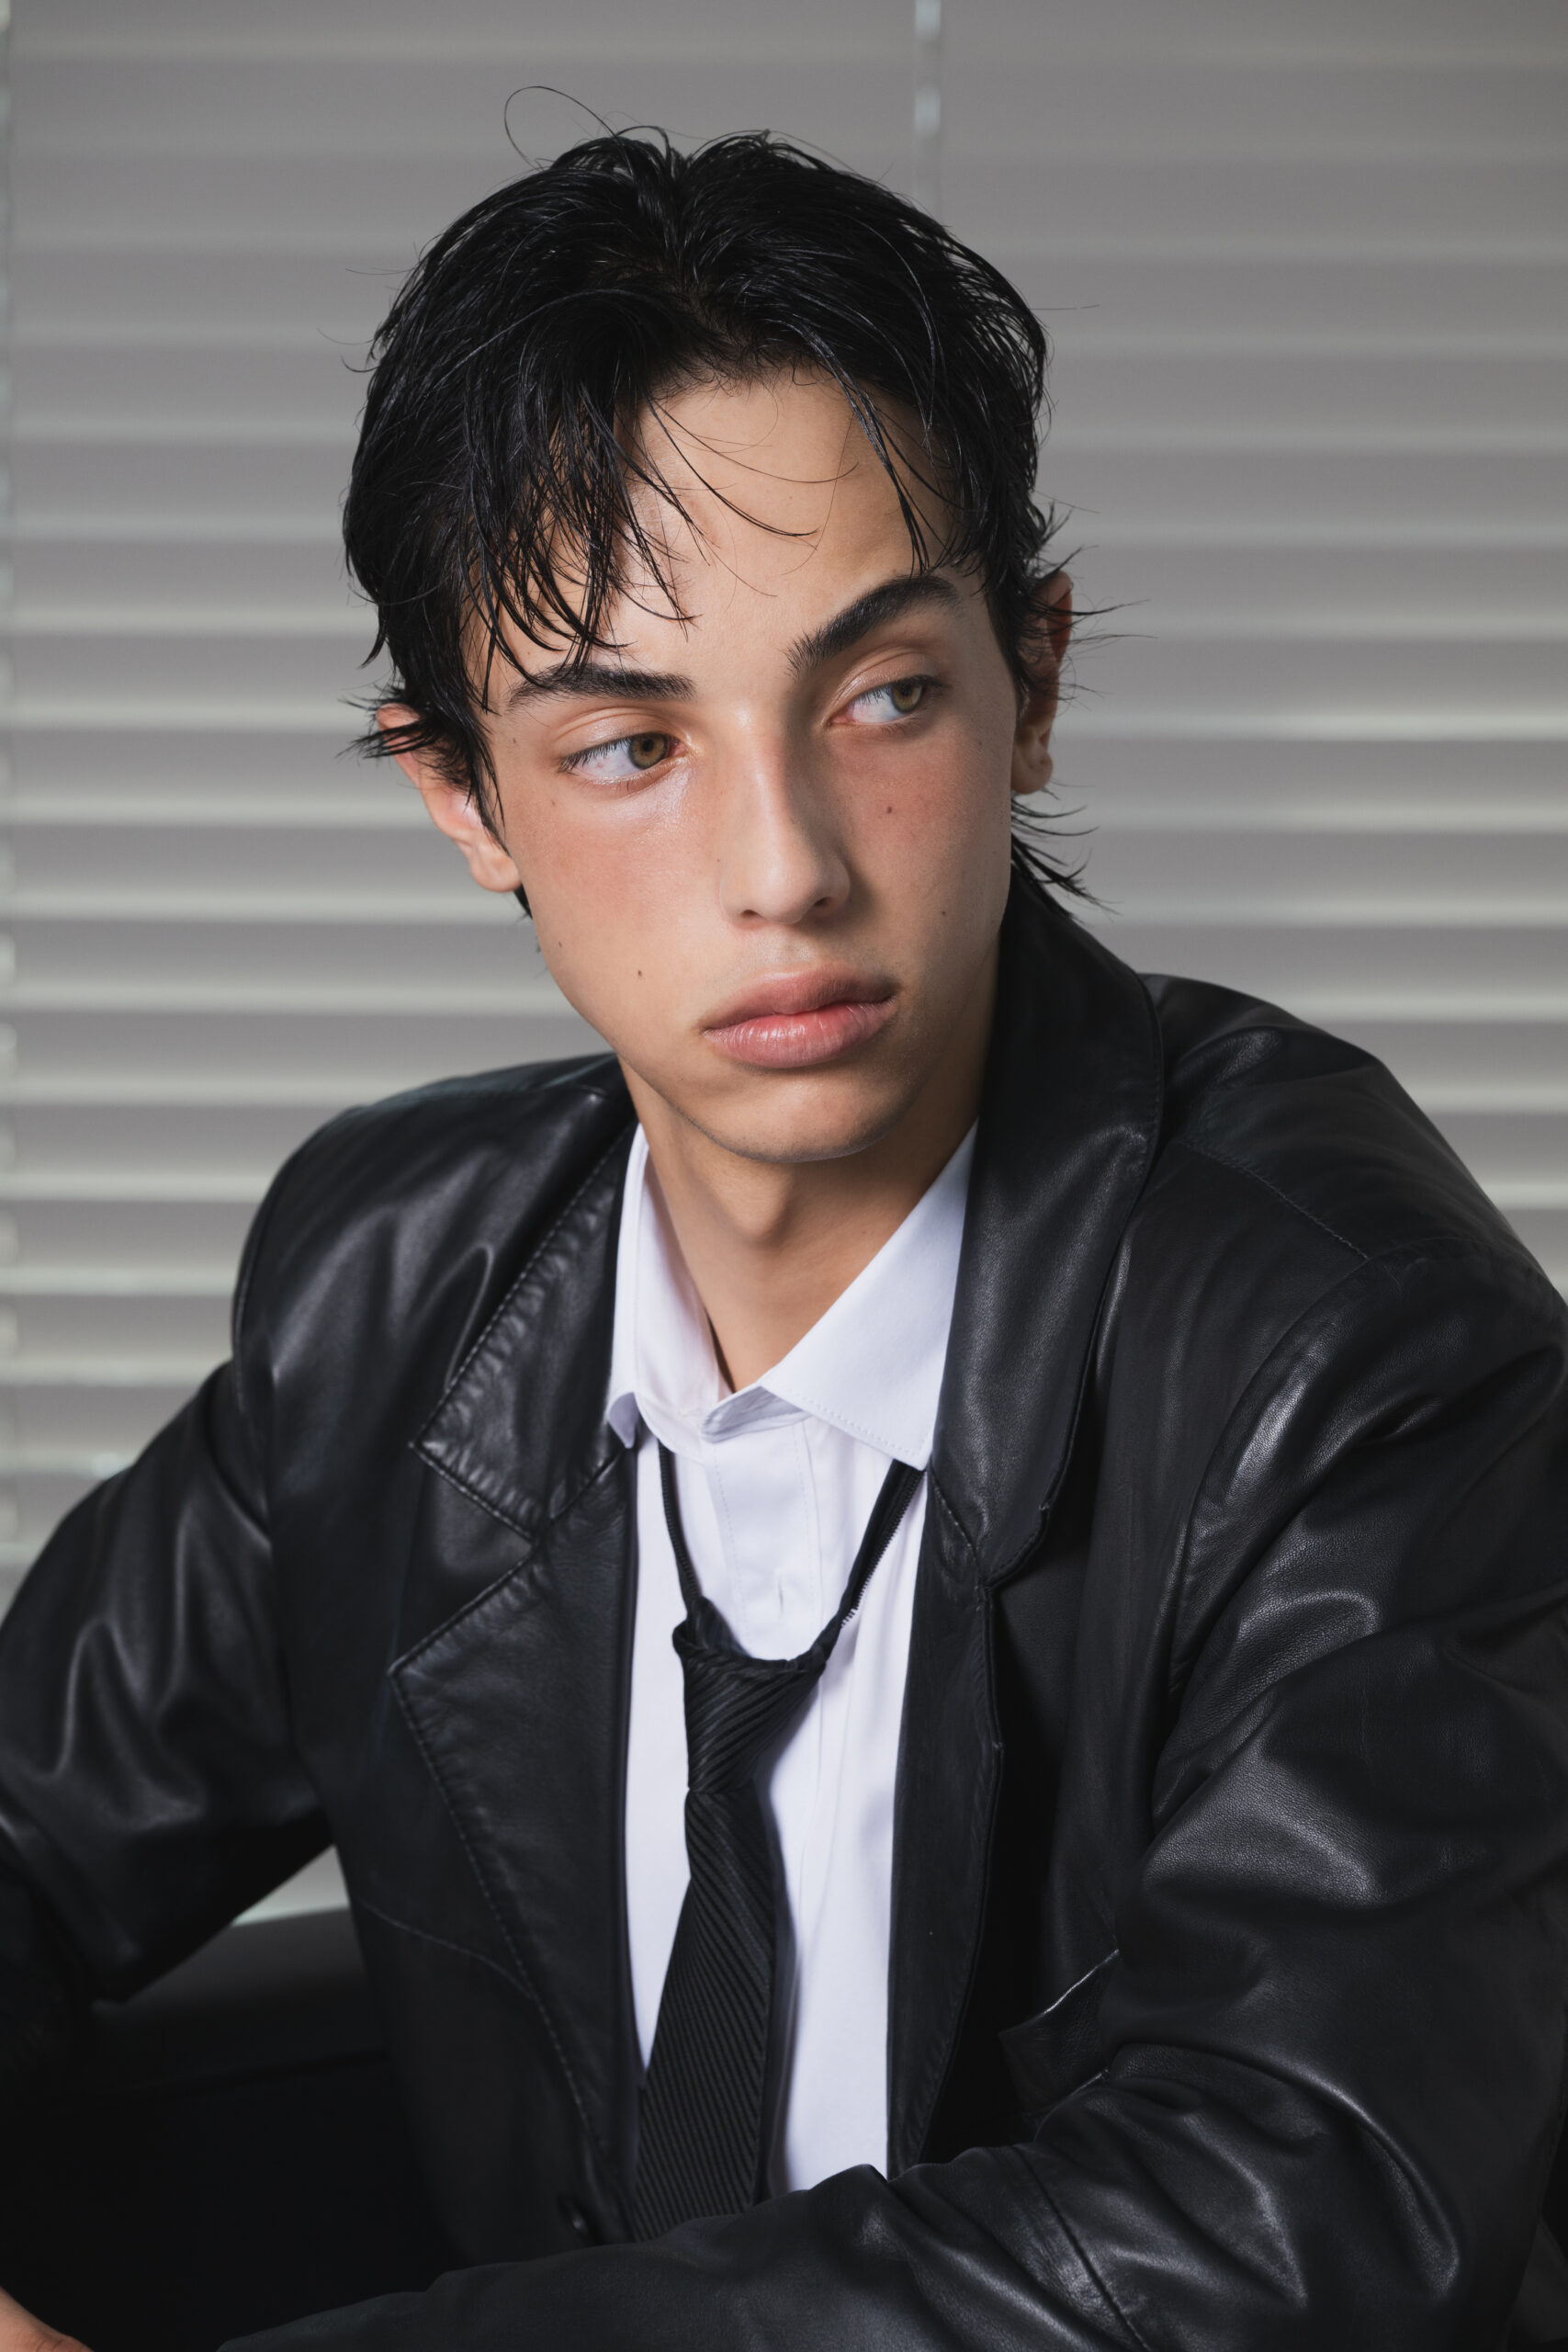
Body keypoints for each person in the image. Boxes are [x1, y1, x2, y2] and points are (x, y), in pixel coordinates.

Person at [1, 129, 1566, 2352]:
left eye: (879, 694)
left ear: (1029, 681)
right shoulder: (395, 1287)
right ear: (460, 793)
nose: (784, 868)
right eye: (626, 744)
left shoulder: (1343, 1341)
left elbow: (1294, 2215)